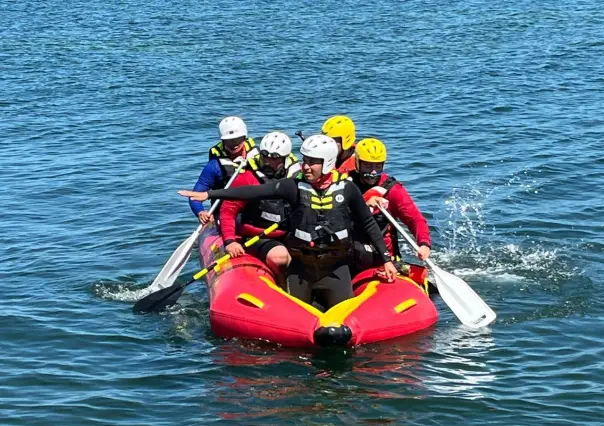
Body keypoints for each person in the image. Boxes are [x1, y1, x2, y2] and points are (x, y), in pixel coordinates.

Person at [179, 134, 398, 310]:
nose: (305, 167)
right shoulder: (291, 186)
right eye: (304, 161)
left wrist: (387, 260)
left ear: (328, 163)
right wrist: (209, 195)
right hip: (301, 270)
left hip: (336, 268)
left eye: (313, 162)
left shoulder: (347, 189)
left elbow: (368, 224)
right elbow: (251, 191)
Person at [219, 132, 300, 289]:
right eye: (265, 156)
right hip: (257, 237)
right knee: (280, 257)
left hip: (290, 235)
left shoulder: (298, 177)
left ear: (285, 158)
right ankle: (283, 287)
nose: (268, 162)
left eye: (274, 157)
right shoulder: (248, 177)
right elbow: (228, 210)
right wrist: (230, 241)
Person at [349, 138, 431, 274]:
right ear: (358, 164)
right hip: (350, 255)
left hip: (383, 259)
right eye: (368, 166)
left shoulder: (393, 190)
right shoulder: (346, 184)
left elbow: (415, 219)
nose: (373, 172)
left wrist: (424, 243)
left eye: (378, 166)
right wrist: (364, 204)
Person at [189, 116, 259, 224]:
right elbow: (195, 196)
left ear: (244, 137)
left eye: (237, 139)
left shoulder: (260, 157)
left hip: (255, 209)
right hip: (228, 213)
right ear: (222, 141)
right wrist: (201, 212)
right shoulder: (214, 166)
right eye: (229, 141)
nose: (234, 144)